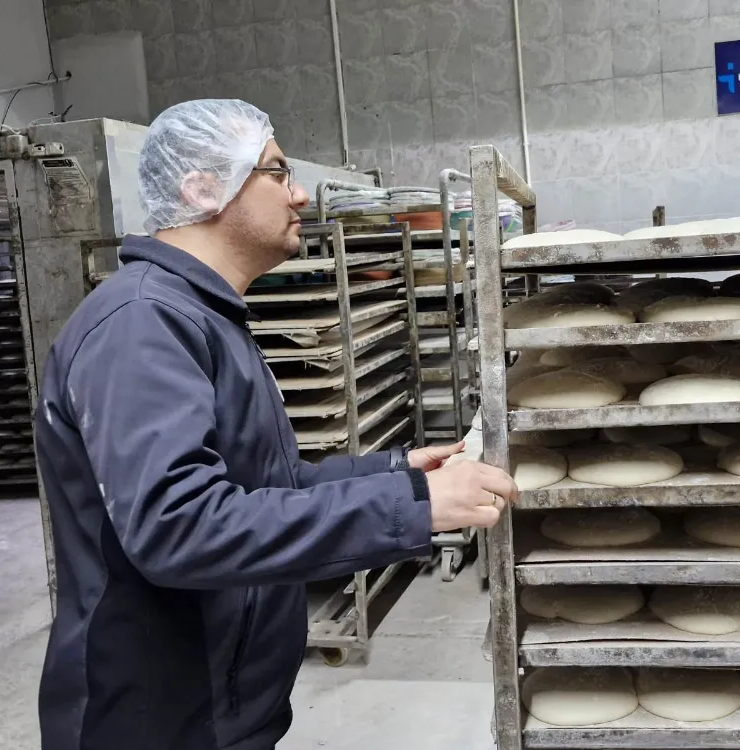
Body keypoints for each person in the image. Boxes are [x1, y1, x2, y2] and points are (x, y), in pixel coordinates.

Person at [34, 99, 518, 750]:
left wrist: (400, 477)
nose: (300, 194)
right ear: (202, 188)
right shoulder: (142, 324)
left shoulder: (205, 315)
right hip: (158, 715)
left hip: (222, 702)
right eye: (276, 171)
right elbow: (181, 527)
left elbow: (265, 484)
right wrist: (417, 510)